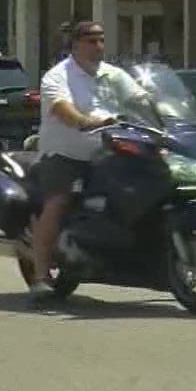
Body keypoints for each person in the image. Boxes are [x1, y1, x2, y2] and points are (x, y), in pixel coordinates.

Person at [27, 20, 146, 300]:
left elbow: (141, 99)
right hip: (66, 154)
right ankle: (40, 275)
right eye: (91, 40)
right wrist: (81, 120)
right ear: (76, 43)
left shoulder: (113, 75)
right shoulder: (58, 76)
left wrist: (165, 117)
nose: (98, 46)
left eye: (101, 40)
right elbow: (60, 106)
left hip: (109, 150)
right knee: (58, 201)